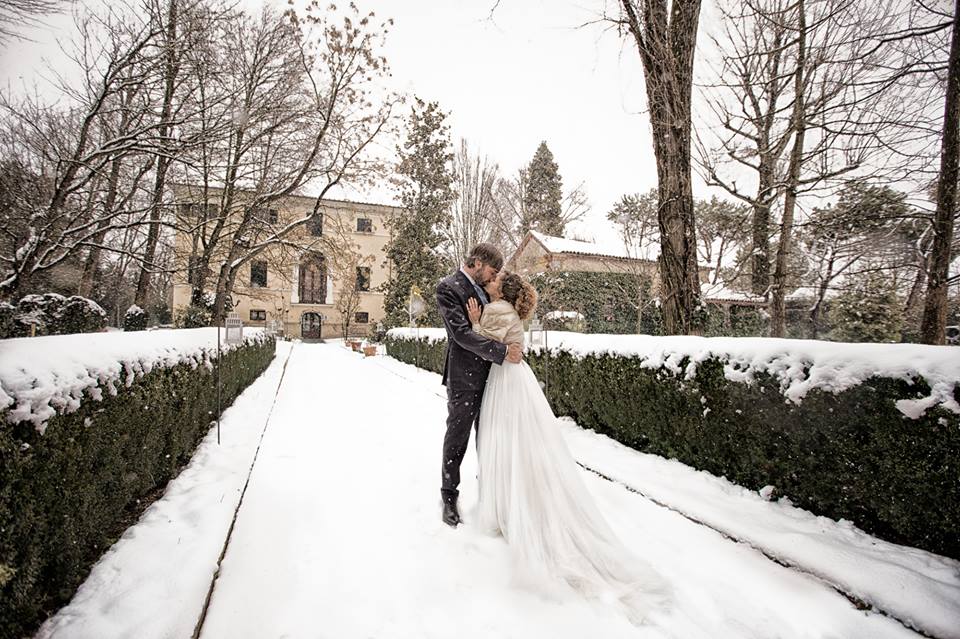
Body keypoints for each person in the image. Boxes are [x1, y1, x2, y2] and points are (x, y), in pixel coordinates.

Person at [467, 270, 666, 625]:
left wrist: (473, 321)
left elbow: (481, 342)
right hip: (520, 378)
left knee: (504, 437)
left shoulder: (497, 309)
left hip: (505, 380)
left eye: (495, 280)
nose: (490, 282)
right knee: (522, 441)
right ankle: (516, 496)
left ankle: (508, 504)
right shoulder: (510, 309)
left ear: (503, 290)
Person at [435, 243, 523, 527]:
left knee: (490, 438)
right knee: (457, 437)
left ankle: (490, 493)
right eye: (492, 271)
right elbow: (461, 334)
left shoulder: (488, 289)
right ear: (477, 262)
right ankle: (449, 496)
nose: (494, 276)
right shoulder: (448, 288)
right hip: (464, 378)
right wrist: (501, 352)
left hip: (495, 379)